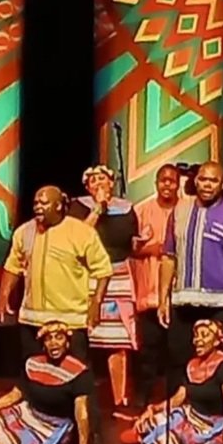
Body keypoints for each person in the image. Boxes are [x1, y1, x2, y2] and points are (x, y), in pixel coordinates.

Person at [157, 161, 223, 409]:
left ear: (222, 184)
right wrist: (163, 297)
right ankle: (176, 415)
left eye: (213, 181)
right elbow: (168, 256)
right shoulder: (180, 211)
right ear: (195, 181)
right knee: (177, 356)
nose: (207, 185)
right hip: (184, 300)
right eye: (203, 179)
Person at [0, 184, 113, 359]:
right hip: (32, 319)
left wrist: (96, 303)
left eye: (44, 203)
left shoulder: (81, 232)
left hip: (70, 320)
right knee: (34, 375)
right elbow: (13, 266)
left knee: (74, 376)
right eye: (36, 203)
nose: (38, 207)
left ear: (58, 206)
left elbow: (103, 270)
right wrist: (3, 295)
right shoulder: (24, 231)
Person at [0, 320, 97, 444]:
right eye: (49, 339)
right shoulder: (33, 364)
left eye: (59, 337)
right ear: (44, 344)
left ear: (67, 343)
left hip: (53, 427)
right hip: (28, 414)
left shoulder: (78, 371)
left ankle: (7, 443)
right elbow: (14, 395)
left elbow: (81, 410)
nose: (54, 343)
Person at [76, 165, 149, 420]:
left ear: (112, 182)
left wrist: (140, 242)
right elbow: (79, 236)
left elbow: (130, 242)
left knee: (118, 341)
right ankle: (79, 394)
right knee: (83, 336)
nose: (99, 183)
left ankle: (121, 398)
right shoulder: (79, 206)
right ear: (87, 186)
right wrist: (98, 207)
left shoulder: (127, 208)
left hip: (119, 275)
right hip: (88, 277)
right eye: (93, 179)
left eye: (103, 178)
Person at [128, 317, 223, 444]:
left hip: (210, 426)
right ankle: (148, 435)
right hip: (189, 414)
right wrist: (154, 408)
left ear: (217, 341)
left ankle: (156, 438)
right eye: (196, 336)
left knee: (164, 442)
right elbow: (179, 397)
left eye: (204, 335)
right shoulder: (192, 365)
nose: (197, 340)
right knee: (146, 424)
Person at [130, 163, 184, 410]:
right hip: (149, 293)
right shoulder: (140, 211)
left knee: (177, 351)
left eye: (172, 181)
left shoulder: (188, 210)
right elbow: (129, 247)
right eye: (163, 180)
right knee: (147, 352)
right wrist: (158, 248)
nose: (167, 185)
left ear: (178, 184)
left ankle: (176, 398)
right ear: (156, 183)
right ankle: (142, 395)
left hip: (179, 294)